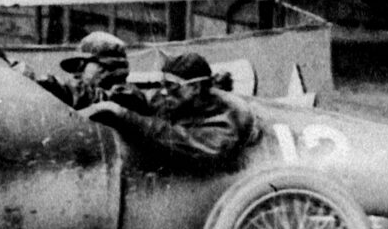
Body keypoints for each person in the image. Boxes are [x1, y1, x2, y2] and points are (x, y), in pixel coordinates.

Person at [77, 52, 258, 175]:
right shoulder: (184, 99)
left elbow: (179, 140)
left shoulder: (227, 123)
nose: (164, 92)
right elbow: (150, 102)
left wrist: (124, 116)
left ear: (194, 87)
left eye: (171, 87)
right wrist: (110, 96)